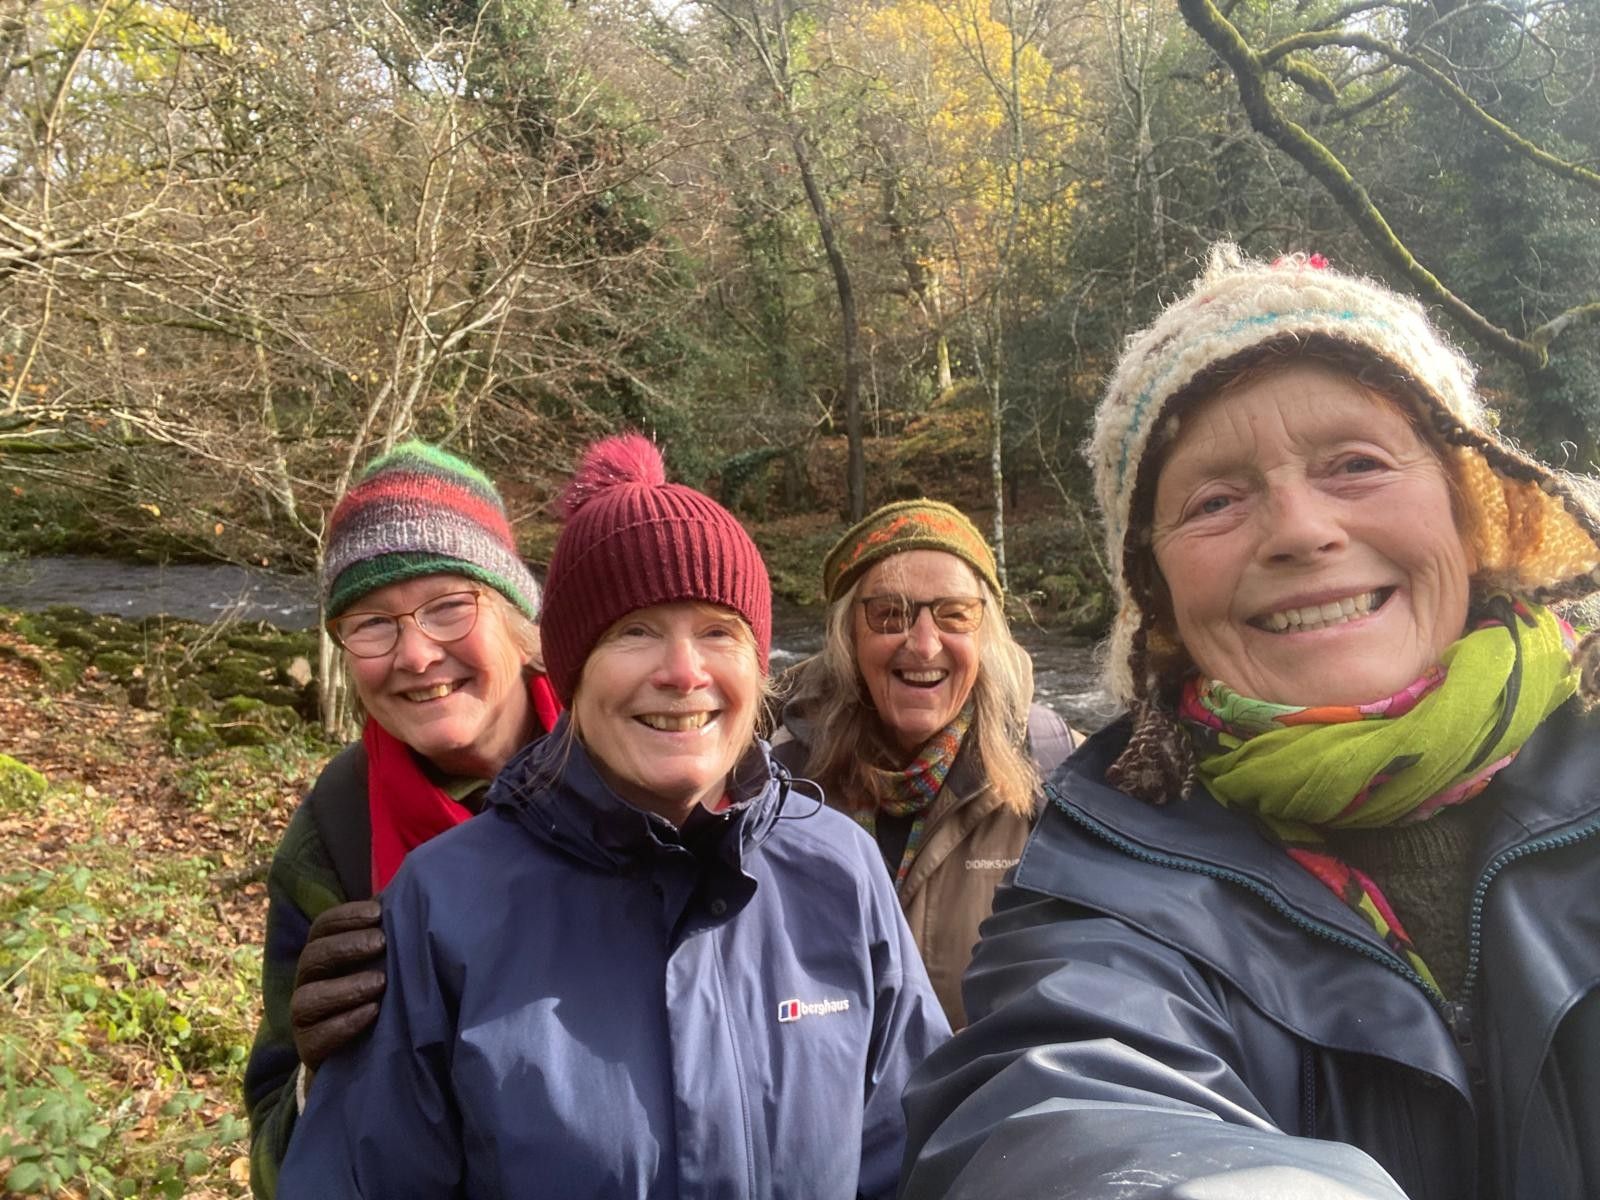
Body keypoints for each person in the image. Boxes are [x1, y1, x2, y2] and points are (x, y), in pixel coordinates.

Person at [899, 245, 1600, 1199]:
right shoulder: (1102, 871)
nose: (1301, 530)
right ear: (1159, 591)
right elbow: (1055, 1097)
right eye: (1217, 499)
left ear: (1469, 509)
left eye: (1355, 464)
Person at [277, 433, 950, 1199]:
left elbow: (919, 1157)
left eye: (718, 631)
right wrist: (312, 1082)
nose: (683, 672)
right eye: (634, 631)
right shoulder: (437, 905)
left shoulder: (838, 869)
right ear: (570, 668)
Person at [243, 441, 561, 1199]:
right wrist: (321, 1080)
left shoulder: (627, 768)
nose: (416, 654)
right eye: (372, 623)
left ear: (518, 619)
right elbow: (272, 1164)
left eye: (450, 606)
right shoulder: (333, 841)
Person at [772, 500, 1076, 1027]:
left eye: (955, 614)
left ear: (984, 634)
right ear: (848, 635)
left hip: (989, 1105)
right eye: (890, 613)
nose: (924, 643)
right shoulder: (775, 778)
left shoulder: (1059, 769)